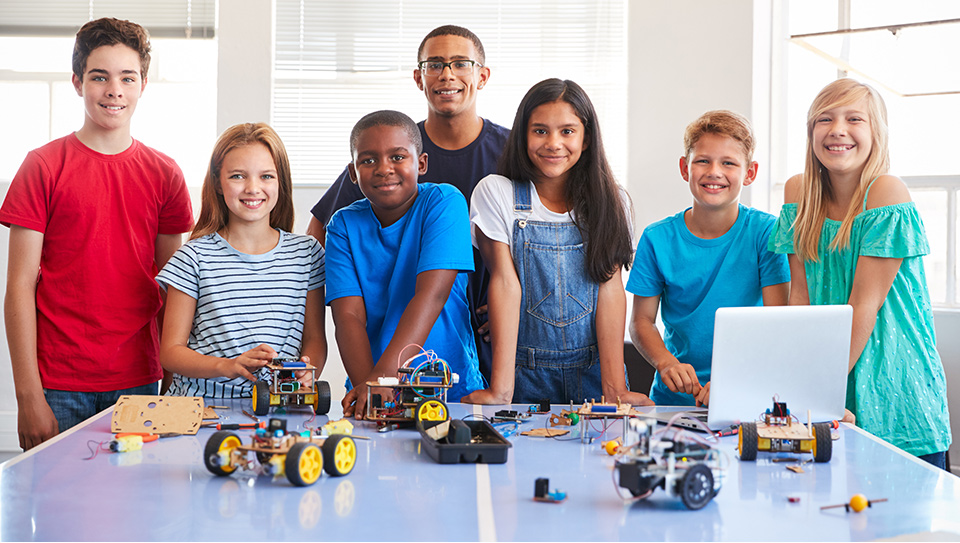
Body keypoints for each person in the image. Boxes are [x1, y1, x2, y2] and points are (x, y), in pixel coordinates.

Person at [0, 18, 194, 449]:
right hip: (58, 383)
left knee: (135, 513)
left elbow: (173, 290)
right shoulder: (43, 167)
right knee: (60, 513)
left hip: (140, 381)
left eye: (127, 77)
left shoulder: (165, 175)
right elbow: (18, 288)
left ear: (143, 83)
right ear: (77, 82)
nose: (114, 90)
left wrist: (174, 384)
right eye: (99, 77)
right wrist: (28, 396)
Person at [307, 25, 508, 381]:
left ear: (482, 75)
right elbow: (322, 235)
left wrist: (513, 305)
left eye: (461, 63)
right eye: (435, 64)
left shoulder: (507, 155)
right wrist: (369, 383)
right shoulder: (390, 139)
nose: (447, 74)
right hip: (384, 356)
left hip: (475, 337)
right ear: (419, 77)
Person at [769, 78, 951, 469]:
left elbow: (863, 307)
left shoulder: (887, 192)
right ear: (811, 131)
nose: (838, 130)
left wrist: (814, 391)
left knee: (900, 526)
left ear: (875, 133)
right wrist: (796, 388)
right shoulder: (798, 192)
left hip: (894, 379)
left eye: (854, 119)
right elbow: (799, 297)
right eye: (825, 119)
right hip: (826, 372)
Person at [464, 78, 650, 406]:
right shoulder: (496, 192)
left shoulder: (612, 201)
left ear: (587, 137)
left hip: (595, 375)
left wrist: (615, 390)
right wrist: (501, 391)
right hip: (524, 376)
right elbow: (505, 283)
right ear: (522, 135)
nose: (553, 143)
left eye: (567, 131)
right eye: (540, 131)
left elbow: (609, 289)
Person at [627, 110, 790, 407]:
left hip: (747, 395)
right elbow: (641, 322)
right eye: (703, 160)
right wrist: (665, 363)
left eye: (728, 163)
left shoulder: (767, 233)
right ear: (684, 168)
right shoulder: (657, 238)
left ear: (750, 173)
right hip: (673, 401)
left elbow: (777, 323)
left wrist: (734, 379)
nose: (714, 171)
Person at [326, 110, 483, 417]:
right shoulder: (342, 225)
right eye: (368, 160)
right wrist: (368, 388)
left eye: (397, 157)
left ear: (421, 163)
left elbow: (431, 295)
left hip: (450, 389)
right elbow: (348, 317)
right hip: (370, 388)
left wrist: (381, 379)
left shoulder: (445, 202)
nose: (384, 169)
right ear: (353, 172)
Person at [157, 123, 326, 398]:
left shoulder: (307, 254)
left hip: (278, 406)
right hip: (202, 409)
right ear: (218, 184)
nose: (253, 188)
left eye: (267, 176)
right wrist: (228, 366)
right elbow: (171, 353)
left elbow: (315, 338)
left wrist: (307, 367)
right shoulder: (193, 258)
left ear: (280, 181)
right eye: (238, 176)